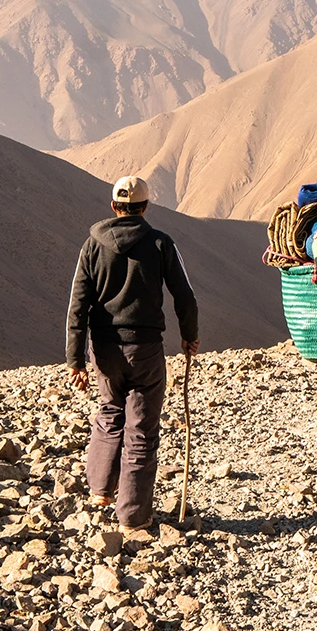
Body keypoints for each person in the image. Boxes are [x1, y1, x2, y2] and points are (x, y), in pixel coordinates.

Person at [66, 175, 199, 530]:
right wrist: (190, 337)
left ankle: (100, 490)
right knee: (141, 430)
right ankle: (133, 516)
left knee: (110, 411)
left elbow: (78, 305)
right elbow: (183, 294)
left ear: (114, 207)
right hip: (145, 349)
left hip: (105, 350)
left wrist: (75, 360)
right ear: (144, 208)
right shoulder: (159, 242)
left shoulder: (92, 245)